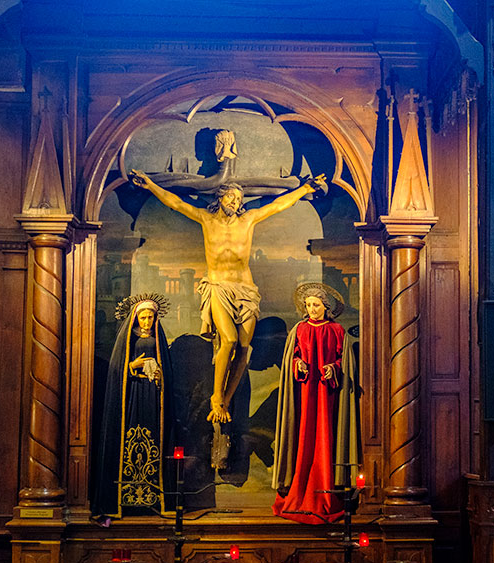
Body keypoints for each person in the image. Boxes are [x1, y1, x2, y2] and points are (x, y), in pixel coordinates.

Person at [129, 170, 327, 424]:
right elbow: (176, 203)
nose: (235, 203)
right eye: (230, 198)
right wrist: (150, 186)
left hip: (246, 289)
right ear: (220, 198)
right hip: (218, 287)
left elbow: (278, 205)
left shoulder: (249, 220)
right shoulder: (206, 219)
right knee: (229, 340)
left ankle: (225, 400)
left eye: (238, 199)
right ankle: (215, 396)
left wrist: (304, 190)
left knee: (244, 348)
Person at [272, 283, 359, 524]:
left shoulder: (337, 331)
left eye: (316, 305)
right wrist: (297, 364)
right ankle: (298, 490)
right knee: (303, 437)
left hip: (327, 396)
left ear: (326, 307)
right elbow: (294, 355)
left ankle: (326, 493)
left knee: (325, 438)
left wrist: (334, 369)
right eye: (308, 305)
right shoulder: (299, 330)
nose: (312, 309)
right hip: (303, 395)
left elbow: (345, 362)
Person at [91, 293, 174, 519]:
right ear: (136, 318)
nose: (147, 322)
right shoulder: (128, 339)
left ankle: (152, 498)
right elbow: (117, 370)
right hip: (132, 394)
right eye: (143, 317)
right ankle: (125, 500)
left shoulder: (159, 338)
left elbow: (167, 371)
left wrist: (159, 376)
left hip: (152, 396)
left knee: (153, 438)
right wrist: (132, 365)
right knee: (130, 438)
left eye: (150, 317)